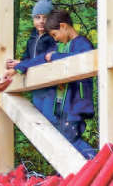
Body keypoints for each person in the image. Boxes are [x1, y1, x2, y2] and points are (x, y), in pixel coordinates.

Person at [41, 8, 97, 158]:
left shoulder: (82, 43)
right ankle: (69, 173)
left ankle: (94, 160)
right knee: (63, 142)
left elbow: (79, 59)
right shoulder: (67, 45)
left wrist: (56, 56)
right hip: (64, 105)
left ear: (64, 26)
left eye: (55, 34)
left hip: (76, 105)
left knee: (70, 139)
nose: (55, 39)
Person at [6, 0, 58, 121]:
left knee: (50, 120)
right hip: (35, 87)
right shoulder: (32, 38)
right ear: (33, 19)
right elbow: (26, 57)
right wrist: (16, 64)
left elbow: (44, 58)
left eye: (45, 17)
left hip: (50, 86)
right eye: (37, 17)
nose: (41, 21)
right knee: (39, 121)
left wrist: (21, 65)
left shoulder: (53, 37)